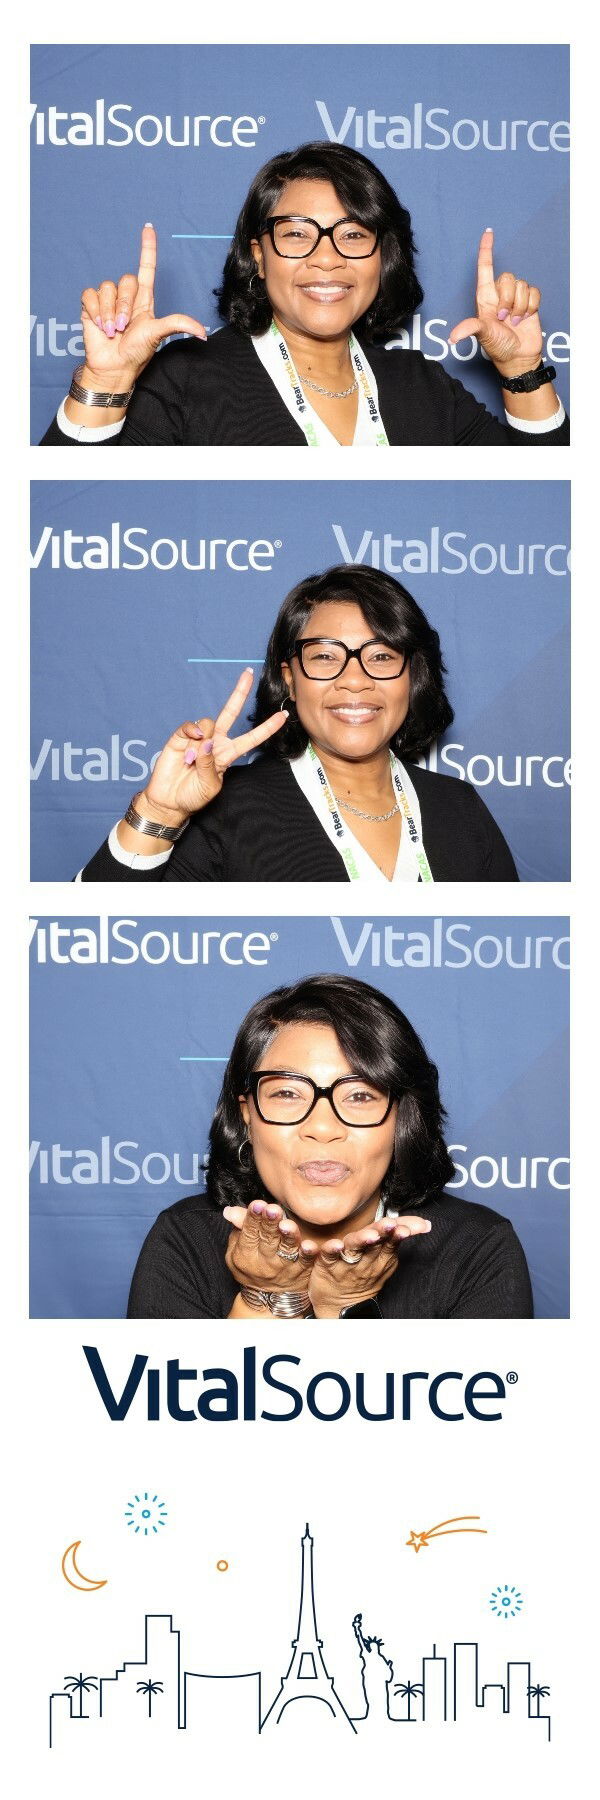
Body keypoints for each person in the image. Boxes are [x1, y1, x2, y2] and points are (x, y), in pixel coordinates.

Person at [41, 141, 568, 447]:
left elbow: (549, 492)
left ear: (382, 258)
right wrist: (104, 381)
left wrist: (522, 370)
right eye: (296, 234)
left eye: (353, 234)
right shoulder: (185, 379)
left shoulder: (423, 385)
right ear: (258, 254)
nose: (327, 257)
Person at [76, 564, 519, 884]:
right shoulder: (229, 809)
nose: (355, 680)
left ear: (412, 676)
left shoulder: (458, 807)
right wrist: (159, 813)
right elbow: (100, 929)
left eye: (382, 655)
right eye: (324, 656)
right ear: (289, 679)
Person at [127, 975, 534, 1319]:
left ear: (402, 1117)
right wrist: (265, 1298)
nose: (323, 1128)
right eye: (287, 1093)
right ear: (247, 1113)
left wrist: (345, 1307)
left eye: (360, 1096)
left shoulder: (477, 1248)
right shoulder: (184, 1239)